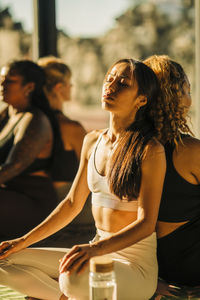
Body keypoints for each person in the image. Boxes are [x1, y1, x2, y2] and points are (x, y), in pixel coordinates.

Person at [0, 58, 166, 300]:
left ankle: (64, 293)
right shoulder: (92, 141)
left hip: (133, 266)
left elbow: (146, 224)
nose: (111, 86)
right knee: (5, 260)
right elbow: (71, 204)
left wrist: (94, 249)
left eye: (123, 83)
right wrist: (22, 241)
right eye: (109, 79)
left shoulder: (150, 150)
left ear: (142, 99)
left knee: (71, 277)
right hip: (95, 253)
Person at [144, 55, 200, 296]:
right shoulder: (189, 151)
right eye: (186, 90)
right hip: (191, 267)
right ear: (175, 98)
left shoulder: (125, 148)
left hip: (149, 267)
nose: (190, 98)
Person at [0, 59, 62, 241]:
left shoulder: (35, 120)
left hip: (32, 203)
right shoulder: (6, 114)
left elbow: (12, 167)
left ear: (29, 87)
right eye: (1, 79)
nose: (2, 85)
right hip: (10, 197)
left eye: (9, 81)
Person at [38, 56, 86, 199]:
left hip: (34, 198)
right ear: (59, 87)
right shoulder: (71, 128)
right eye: (69, 83)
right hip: (63, 199)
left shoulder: (30, 119)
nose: (71, 87)